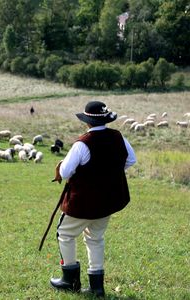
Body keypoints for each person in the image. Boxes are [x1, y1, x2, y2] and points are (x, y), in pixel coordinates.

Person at [50, 100, 136, 297]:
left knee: (65, 234)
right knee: (95, 238)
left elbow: (65, 171)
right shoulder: (118, 137)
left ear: (87, 121)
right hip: (107, 201)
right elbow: (131, 160)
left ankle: (69, 280)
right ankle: (96, 287)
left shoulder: (83, 143)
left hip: (83, 202)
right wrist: (108, 174)